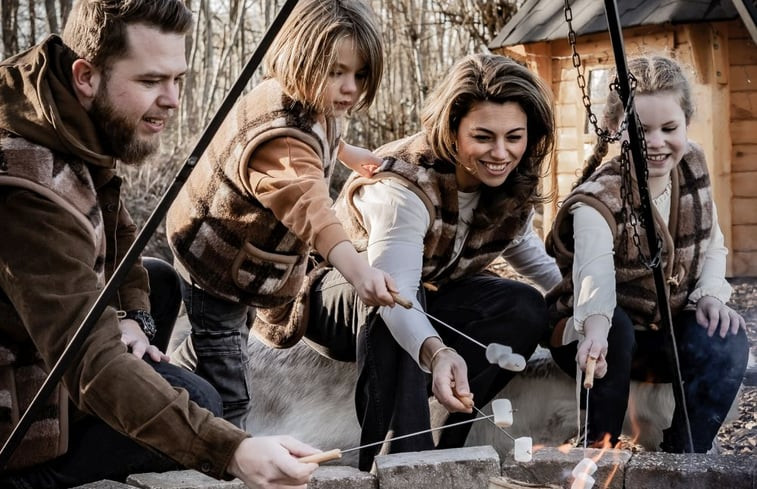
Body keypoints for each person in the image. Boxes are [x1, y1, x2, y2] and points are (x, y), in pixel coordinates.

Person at [0, 1, 320, 488]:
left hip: (44, 333)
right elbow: (88, 359)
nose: (172, 99)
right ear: (87, 75)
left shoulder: (61, 109)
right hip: (18, 398)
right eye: (151, 82)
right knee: (205, 406)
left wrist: (134, 319)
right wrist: (231, 450)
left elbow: (118, 228)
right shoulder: (26, 190)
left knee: (160, 279)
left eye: (177, 79)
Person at [300, 53, 562, 470]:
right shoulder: (403, 187)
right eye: (483, 137)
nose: (501, 152)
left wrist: (583, 303)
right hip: (338, 296)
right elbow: (396, 287)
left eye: (514, 137)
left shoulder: (509, 180)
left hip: (427, 288)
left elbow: (527, 251)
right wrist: (437, 353)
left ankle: (445, 446)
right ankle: (397, 464)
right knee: (397, 300)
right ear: (452, 130)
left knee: (523, 306)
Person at [166, 0, 397, 429]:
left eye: (359, 74)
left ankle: (164, 383)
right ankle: (224, 453)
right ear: (301, 59)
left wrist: (347, 155)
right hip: (214, 257)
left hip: (244, 257)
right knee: (230, 384)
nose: (349, 87)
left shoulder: (313, 103)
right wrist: (359, 273)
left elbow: (324, 137)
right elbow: (312, 210)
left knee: (217, 342)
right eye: (336, 72)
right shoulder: (283, 137)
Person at [545, 55, 749, 453]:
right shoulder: (598, 200)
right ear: (614, 129)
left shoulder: (692, 166)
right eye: (640, 131)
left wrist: (708, 294)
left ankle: (686, 454)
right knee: (615, 329)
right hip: (595, 338)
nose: (655, 143)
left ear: (686, 123)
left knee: (728, 338)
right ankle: (597, 451)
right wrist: (596, 329)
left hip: (660, 338)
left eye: (669, 128)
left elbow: (712, 242)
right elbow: (594, 275)